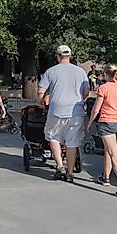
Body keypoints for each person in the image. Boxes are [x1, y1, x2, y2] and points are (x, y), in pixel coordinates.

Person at [37, 45, 90, 182]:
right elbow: (86, 92)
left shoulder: (51, 71)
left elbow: (41, 91)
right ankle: (70, 173)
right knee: (72, 142)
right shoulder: (80, 72)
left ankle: (60, 166)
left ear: (57, 56)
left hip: (56, 110)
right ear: (70, 56)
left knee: (53, 137)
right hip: (76, 111)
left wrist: (41, 102)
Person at [88, 65, 117, 197]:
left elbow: (96, 108)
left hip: (107, 122)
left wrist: (90, 122)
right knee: (109, 149)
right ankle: (105, 177)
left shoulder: (103, 88)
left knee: (114, 154)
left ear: (105, 74)